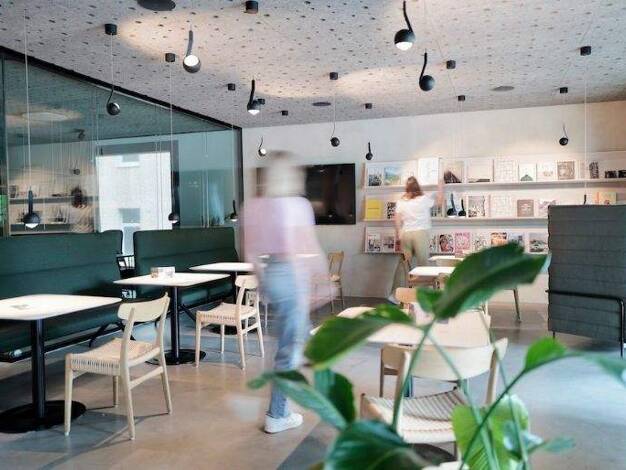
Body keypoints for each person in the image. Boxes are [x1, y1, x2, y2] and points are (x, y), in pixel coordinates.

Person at [243, 152, 330, 434]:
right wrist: (322, 281)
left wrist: (265, 283)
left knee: (300, 339)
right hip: (291, 275)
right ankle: (277, 415)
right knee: (289, 350)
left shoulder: (253, 206)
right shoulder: (297, 204)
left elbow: (250, 254)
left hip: (270, 275)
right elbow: (302, 248)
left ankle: (312, 388)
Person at [391, 176, 444, 300]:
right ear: (417, 187)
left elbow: (397, 220)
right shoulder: (423, 199)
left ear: (407, 188)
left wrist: (398, 234)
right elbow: (439, 202)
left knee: (404, 265)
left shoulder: (401, 201)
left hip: (406, 234)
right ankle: (422, 296)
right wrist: (440, 186)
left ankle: (395, 295)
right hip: (420, 234)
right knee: (423, 265)